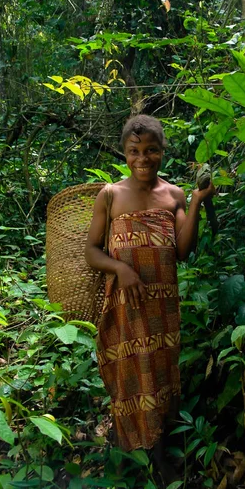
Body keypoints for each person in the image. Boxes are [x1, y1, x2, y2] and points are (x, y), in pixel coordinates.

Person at [85, 115, 214, 469]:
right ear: (124, 153)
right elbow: (91, 251)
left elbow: (183, 251)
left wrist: (198, 202)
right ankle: (130, 455)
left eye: (151, 150)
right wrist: (121, 269)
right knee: (129, 379)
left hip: (162, 310)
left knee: (160, 376)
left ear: (163, 151)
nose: (143, 158)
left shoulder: (174, 195)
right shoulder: (110, 196)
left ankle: (160, 455)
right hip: (125, 308)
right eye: (134, 151)